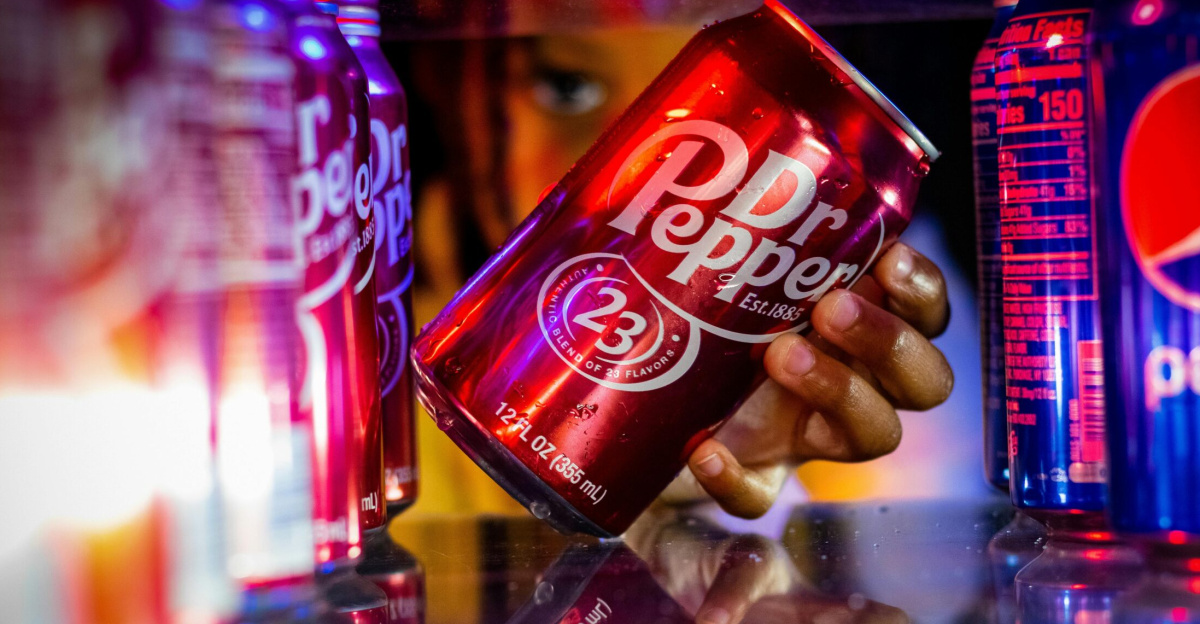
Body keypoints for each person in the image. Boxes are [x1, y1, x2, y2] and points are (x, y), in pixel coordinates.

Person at [394, 24, 960, 523]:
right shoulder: (363, 322)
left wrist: (682, 457)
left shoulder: (865, 292)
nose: (640, 164)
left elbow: (931, 587)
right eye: (567, 87)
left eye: (731, 125)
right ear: (444, 84)